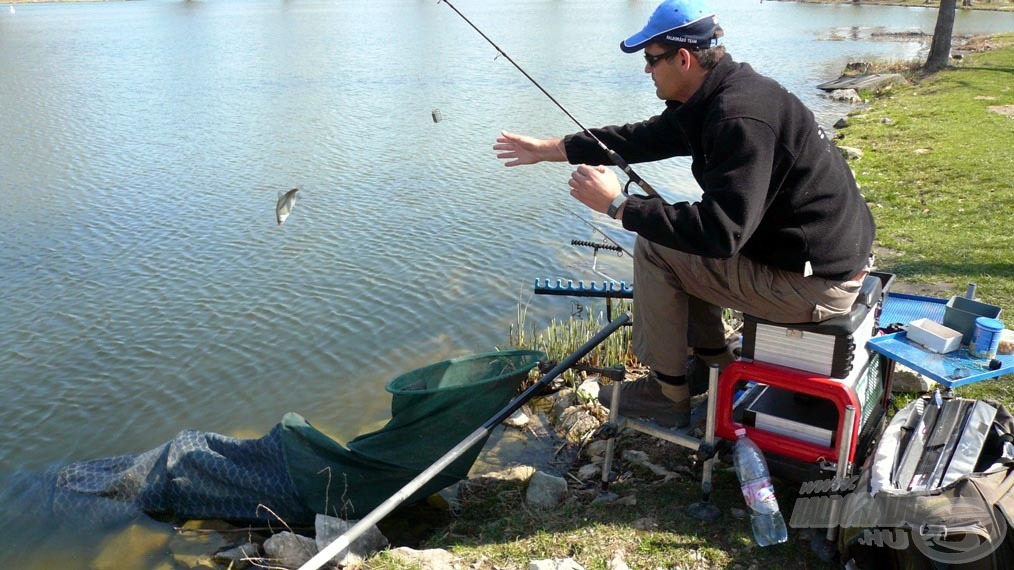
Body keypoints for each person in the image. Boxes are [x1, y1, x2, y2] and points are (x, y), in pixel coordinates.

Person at [493, 0, 875, 428]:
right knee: (671, 236)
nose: (646, 70)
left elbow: (719, 235)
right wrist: (550, 150)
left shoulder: (737, 117)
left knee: (657, 246)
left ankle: (667, 392)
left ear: (684, 58)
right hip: (812, 264)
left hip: (815, 287)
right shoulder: (725, 94)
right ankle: (713, 363)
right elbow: (643, 138)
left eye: (651, 60)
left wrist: (619, 206)